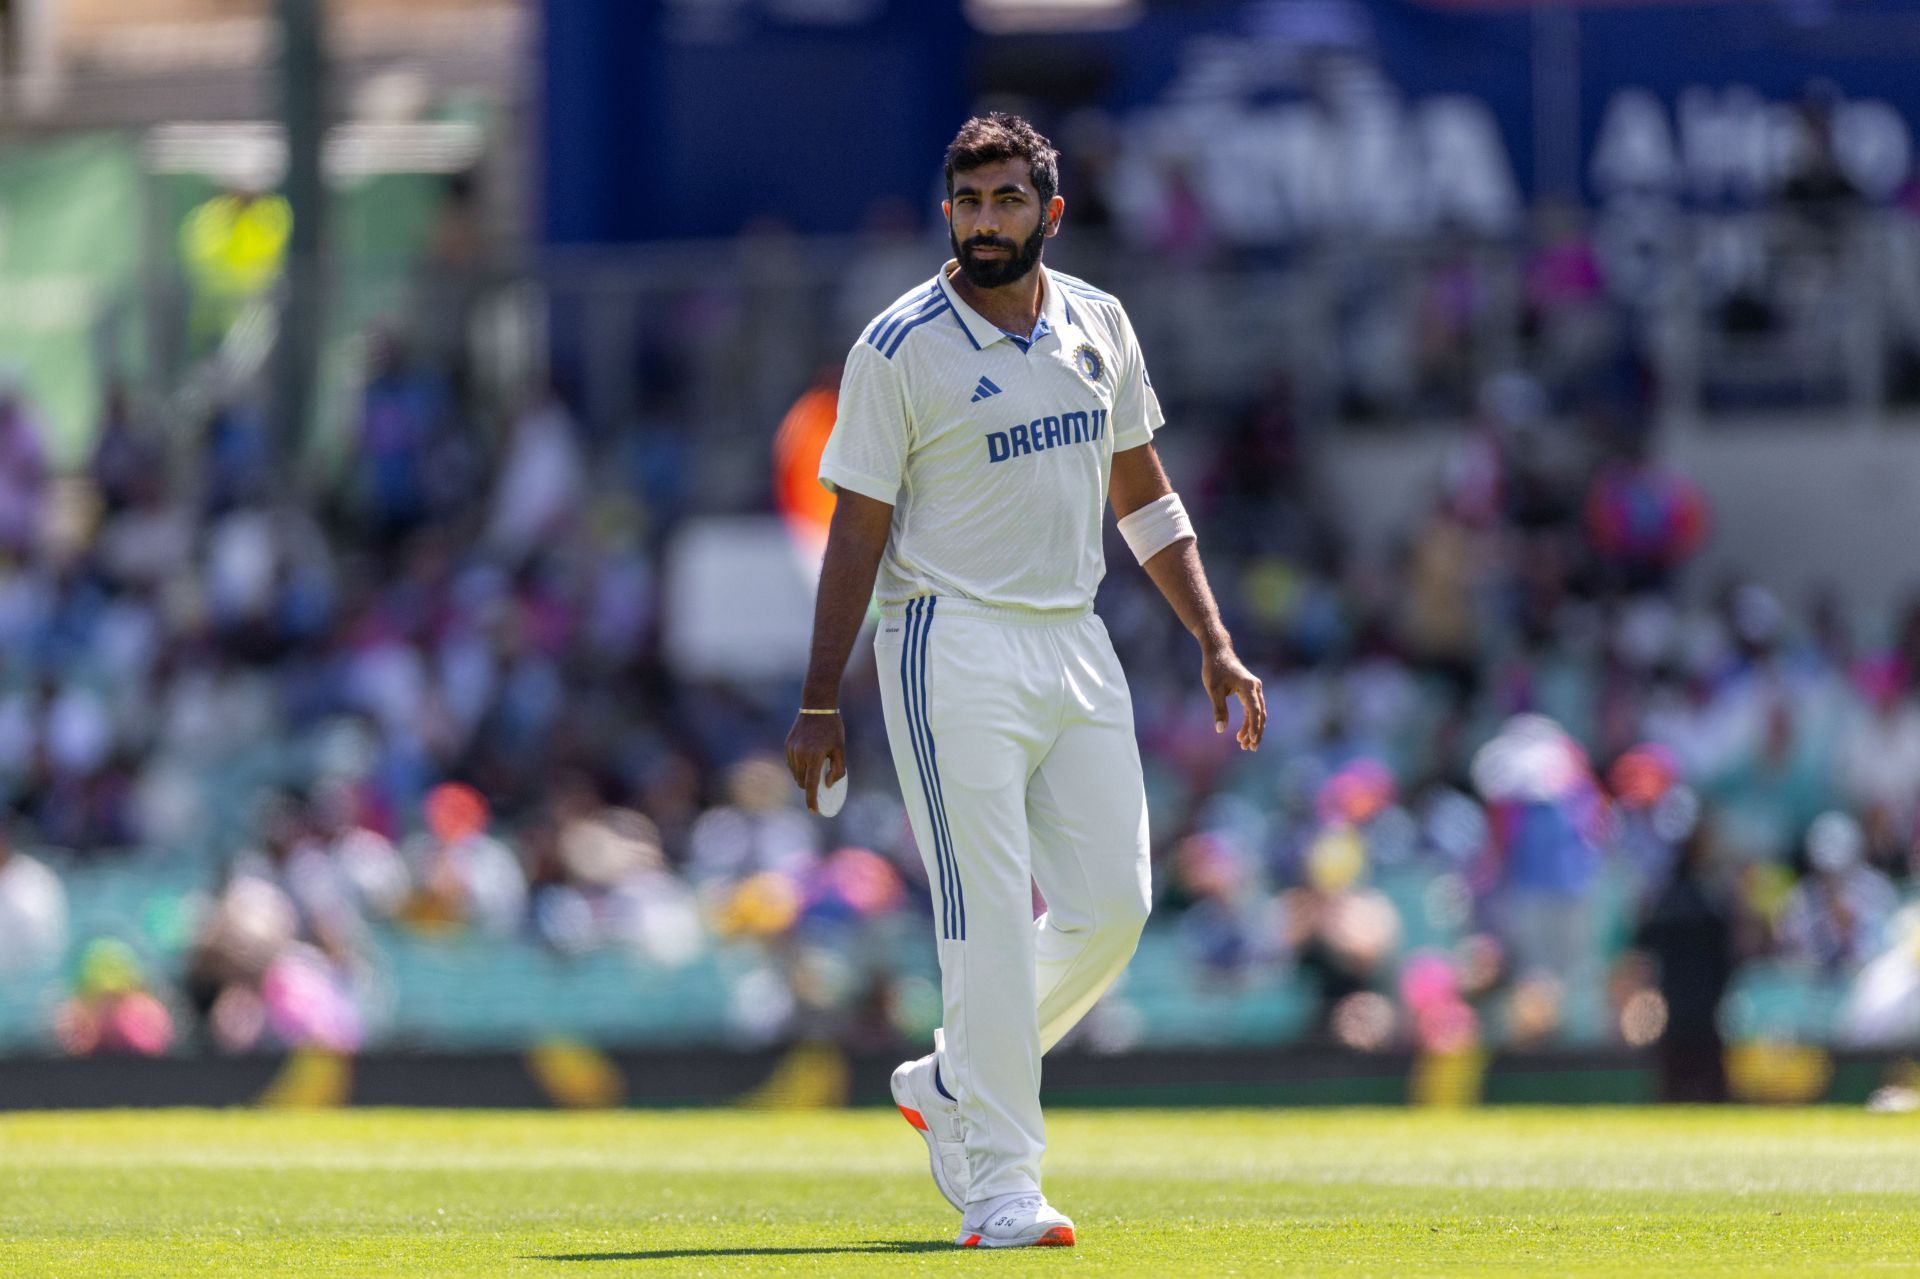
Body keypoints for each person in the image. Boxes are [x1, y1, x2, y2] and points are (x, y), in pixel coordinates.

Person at [784, 114, 1265, 1249]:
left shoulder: (1100, 322)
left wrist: (1212, 636)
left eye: (1007, 201)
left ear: (1050, 211)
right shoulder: (896, 348)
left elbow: (1143, 497)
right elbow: (855, 531)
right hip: (946, 638)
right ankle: (1002, 1184)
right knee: (988, 919)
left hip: (1072, 634)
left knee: (1113, 908)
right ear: (947, 210)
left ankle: (953, 1079)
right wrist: (818, 697)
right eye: (968, 201)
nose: (985, 222)